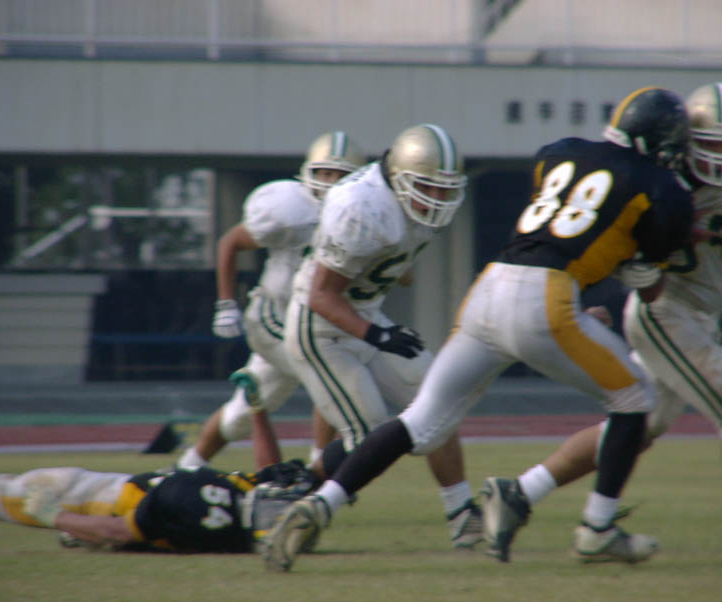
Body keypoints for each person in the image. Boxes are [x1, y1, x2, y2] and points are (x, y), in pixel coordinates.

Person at [262, 87, 695, 572]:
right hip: (547, 300)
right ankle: (597, 529)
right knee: (635, 402)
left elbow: (568, 224)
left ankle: (319, 505)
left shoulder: (561, 153)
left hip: (489, 288)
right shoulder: (662, 188)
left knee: (420, 421)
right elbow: (649, 288)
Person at [477, 81, 722, 563]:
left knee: (639, 427)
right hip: (666, 313)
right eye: (713, 144)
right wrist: (583, 296)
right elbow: (600, 243)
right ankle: (594, 528)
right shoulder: (659, 185)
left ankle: (521, 493)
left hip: (697, 316)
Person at [279, 123, 481, 552]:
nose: (437, 198)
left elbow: (391, 265)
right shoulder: (362, 206)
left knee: (438, 401)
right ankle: (297, 493)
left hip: (366, 316)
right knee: (368, 435)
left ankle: (463, 515)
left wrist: (386, 285)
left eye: (446, 189)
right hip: (321, 329)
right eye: (428, 187)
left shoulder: (408, 204)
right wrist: (378, 334)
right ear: (400, 178)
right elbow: (321, 295)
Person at [176, 131, 366, 471]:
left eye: (340, 175)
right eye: (324, 172)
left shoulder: (364, 217)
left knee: (238, 417)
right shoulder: (291, 209)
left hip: (318, 321)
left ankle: (186, 467)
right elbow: (230, 242)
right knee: (330, 371)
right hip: (274, 318)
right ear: (308, 172)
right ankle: (320, 471)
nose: (330, 182)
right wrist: (225, 304)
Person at [0, 412, 323, 554]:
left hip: (103, 499)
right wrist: (258, 410)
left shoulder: (190, 502)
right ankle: (79, 534)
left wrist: (55, 516)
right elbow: (269, 471)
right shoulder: (248, 512)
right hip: (135, 495)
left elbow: (119, 530)